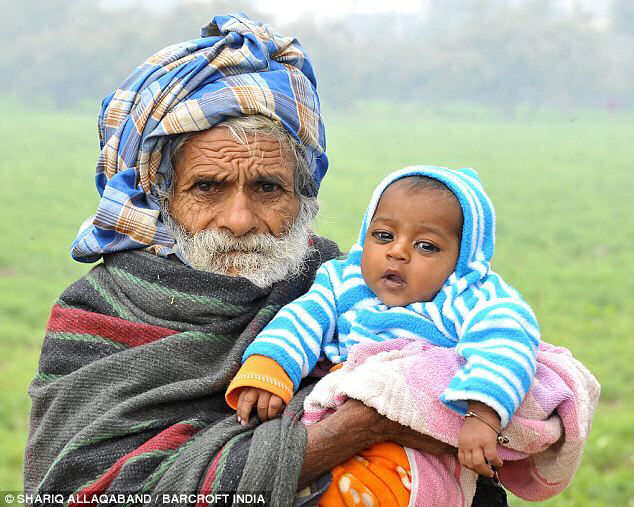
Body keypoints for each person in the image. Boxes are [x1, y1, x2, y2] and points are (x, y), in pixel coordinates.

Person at [23, 14, 508, 506]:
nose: (239, 219)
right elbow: (85, 490)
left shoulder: (345, 285)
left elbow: (486, 400)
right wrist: (359, 427)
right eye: (207, 187)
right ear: (160, 196)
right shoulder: (101, 311)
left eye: (267, 187)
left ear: (303, 196)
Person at [226, 167, 539, 494]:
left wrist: (482, 414)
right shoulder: (344, 280)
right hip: (332, 427)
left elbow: (506, 343)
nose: (398, 252)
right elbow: (303, 318)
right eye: (384, 236)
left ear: (462, 258)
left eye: (426, 247)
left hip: (415, 454)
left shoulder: (469, 298)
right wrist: (270, 366)